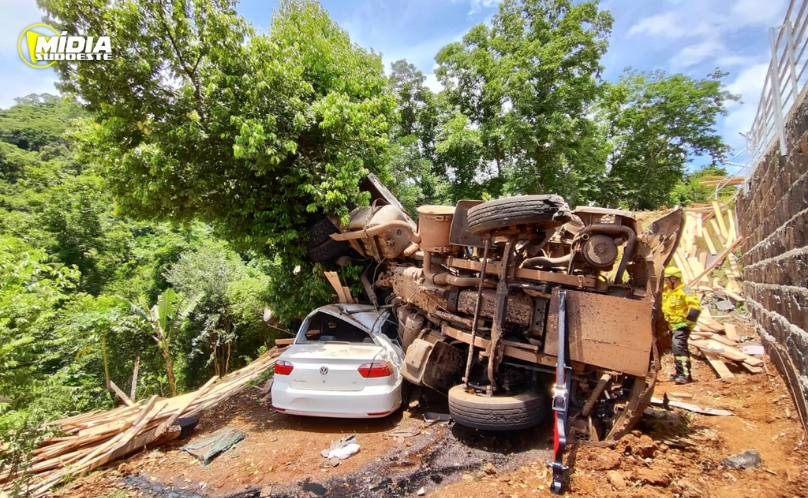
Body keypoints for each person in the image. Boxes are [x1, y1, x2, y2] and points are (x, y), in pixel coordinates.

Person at [662, 267, 701, 384]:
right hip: (670, 326)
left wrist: (686, 324)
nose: (665, 282)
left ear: (673, 279)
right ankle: (679, 373)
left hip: (681, 326)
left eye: (666, 280)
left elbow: (694, 309)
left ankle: (684, 375)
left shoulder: (685, 291)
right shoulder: (668, 290)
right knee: (675, 349)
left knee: (678, 347)